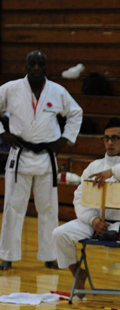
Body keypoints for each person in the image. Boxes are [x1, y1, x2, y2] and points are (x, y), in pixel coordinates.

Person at [52, 118, 120, 303]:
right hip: (97, 223)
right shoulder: (94, 167)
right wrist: (92, 220)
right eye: (106, 138)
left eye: (115, 138)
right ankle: (78, 273)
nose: (110, 142)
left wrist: (114, 172)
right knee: (59, 234)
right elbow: (79, 198)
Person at [0, 50, 83, 271]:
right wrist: (2, 133)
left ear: (46, 67)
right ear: (25, 66)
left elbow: (76, 113)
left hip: (47, 158)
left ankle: (49, 255)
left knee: (48, 209)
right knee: (12, 207)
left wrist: (65, 139)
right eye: (32, 64)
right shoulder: (11, 89)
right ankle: (7, 255)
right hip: (20, 156)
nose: (36, 68)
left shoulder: (57, 91)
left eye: (40, 64)